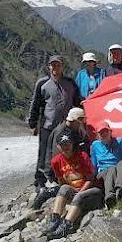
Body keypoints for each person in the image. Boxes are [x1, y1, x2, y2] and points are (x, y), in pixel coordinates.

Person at [27, 55, 81, 188]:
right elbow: (35, 104)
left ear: (62, 66)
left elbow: (77, 101)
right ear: (49, 67)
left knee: (67, 151)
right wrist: (32, 123)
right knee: (44, 152)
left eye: (58, 65)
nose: (55, 67)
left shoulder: (70, 83)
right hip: (48, 124)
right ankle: (40, 179)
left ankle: (60, 177)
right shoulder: (42, 83)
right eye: (53, 65)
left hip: (66, 126)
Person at [45, 129, 104, 240]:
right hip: (74, 192)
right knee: (63, 188)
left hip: (92, 192)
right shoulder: (56, 161)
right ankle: (55, 220)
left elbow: (90, 180)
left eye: (68, 144)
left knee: (78, 196)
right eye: (62, 145)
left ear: (72, 144)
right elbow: (61, 180)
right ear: (58, 146)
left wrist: (78, 193)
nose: (66, 148)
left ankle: (65, 227)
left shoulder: (82, 156)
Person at [33, 107, 91, 209]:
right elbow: (58, 157)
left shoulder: (72, 129)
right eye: (80, 121)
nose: (81, 124)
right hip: (56, 170)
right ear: (74, 120)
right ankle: (48, 192)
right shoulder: (61, 132)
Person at [91, 122, 122, 209]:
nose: (104, 134)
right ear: (98, 135)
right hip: (103, 172)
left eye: (106, 131)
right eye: (101, 133)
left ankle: (120, 190)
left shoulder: (119, 141)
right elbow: (93, 164)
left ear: (110, 132)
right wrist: (92, 179)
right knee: (111, 169)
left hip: (118, 172)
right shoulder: (95, 145)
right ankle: (110, 197)